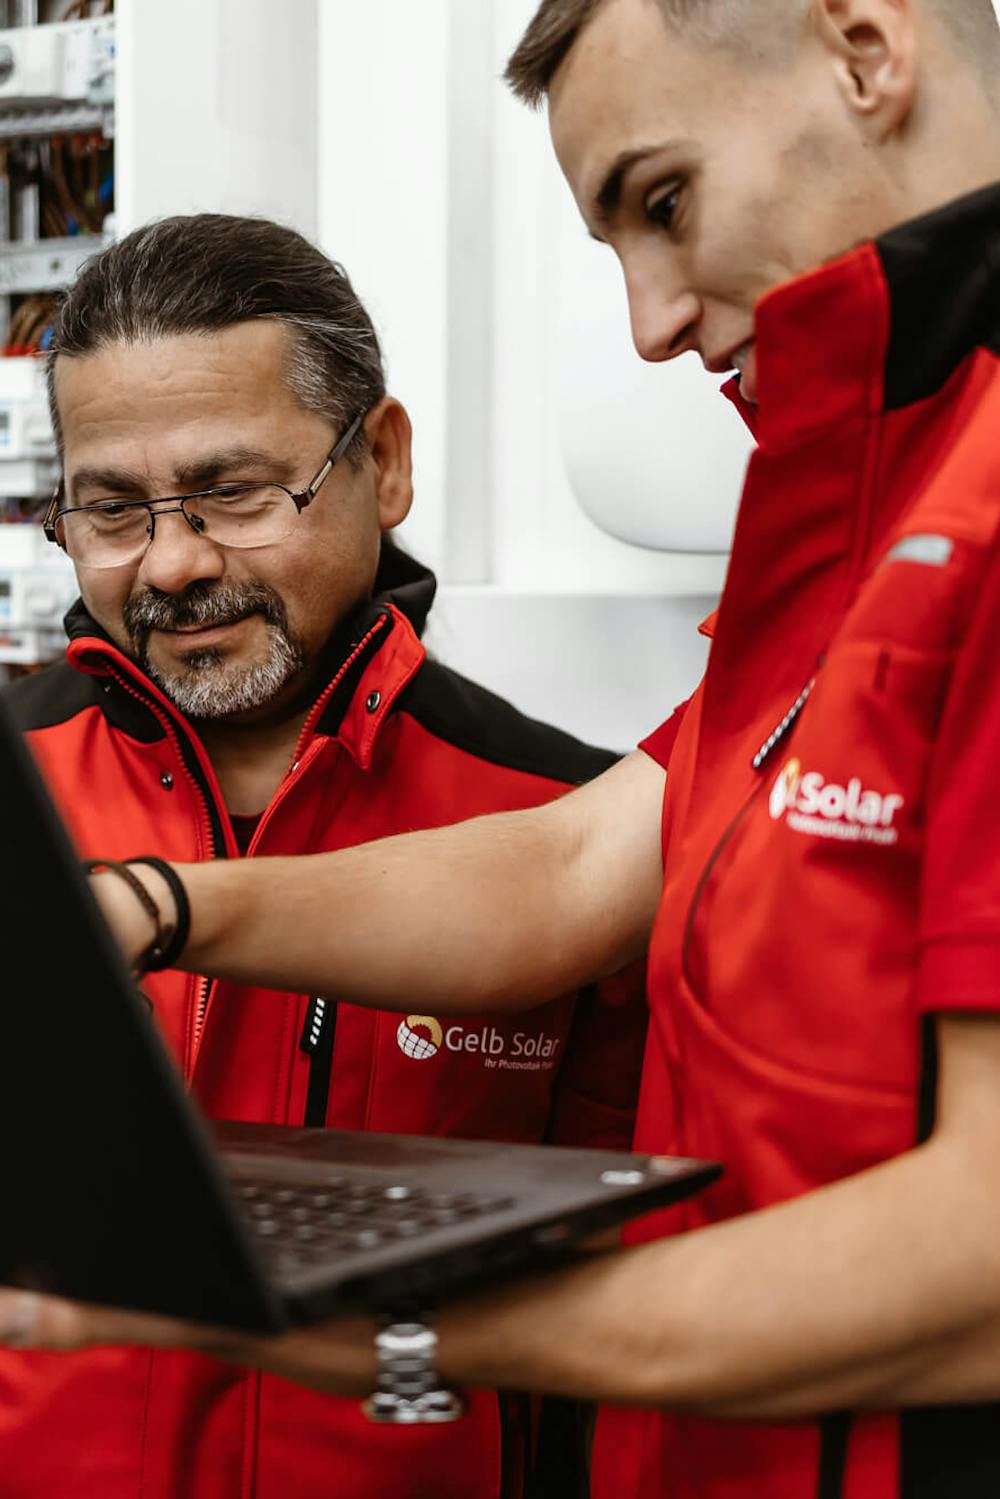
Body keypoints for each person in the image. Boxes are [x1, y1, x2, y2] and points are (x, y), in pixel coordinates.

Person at [8, 0, 1000, 1495]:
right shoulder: (864, 521)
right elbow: (576, 868)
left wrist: (416, 1325)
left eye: (664, 201)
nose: (650, 324)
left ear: (867, 50)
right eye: (113, 506)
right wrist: (157, 903)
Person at [0, 214, 648, 1499]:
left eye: (235, 492)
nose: (174, 563)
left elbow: (621, 1282)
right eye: (113, 510)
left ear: (384, 462)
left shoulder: (569, 822)